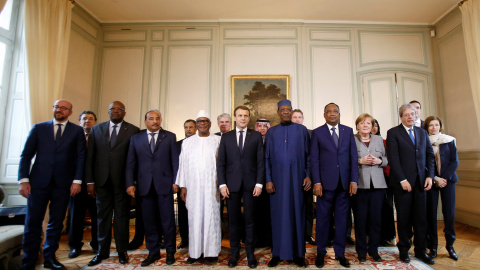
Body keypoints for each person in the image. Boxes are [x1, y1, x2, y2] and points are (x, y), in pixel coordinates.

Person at [19, 99, 86, 270]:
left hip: (63, 184)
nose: (59, 110)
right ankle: (29, 259)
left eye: (63, 108)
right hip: (37, 183)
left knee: (56, 222)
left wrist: (77, 181)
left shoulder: (77, 131)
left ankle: (50, 258)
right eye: (57, 107)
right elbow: (26, 155)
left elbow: (80, 157)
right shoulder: (39, 128)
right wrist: (24, 180)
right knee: (33, 222)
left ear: (70, 112)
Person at [86, 101, 140, 266]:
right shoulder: (96, 129)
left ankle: (122, 251)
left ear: (124, 112)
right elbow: (90, 157)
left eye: (119, 109)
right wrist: (90, 181)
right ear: (108, 111)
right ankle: (102, 251)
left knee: (121, 219)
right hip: (101, 182)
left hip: (123, 183)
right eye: (112, 109)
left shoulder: (133, 130)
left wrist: (133, 182)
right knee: (102, 218)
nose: (115, 111)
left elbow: (135, 159)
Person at [125, 110, 178, 266]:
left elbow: (175, 162)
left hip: (165, 186)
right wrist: (129, 184)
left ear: (161, 120)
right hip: (144, 186)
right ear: (145, 121)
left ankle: (170, 252)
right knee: (149, 222)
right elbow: (130, 164)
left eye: (157, 119)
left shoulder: (169, 137)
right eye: (151, 119)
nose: (155, 121)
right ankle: (153, 252)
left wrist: (176, 181)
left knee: (167, 221)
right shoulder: (136, 138)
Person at [311, 102, 358, 268]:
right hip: (324, 186)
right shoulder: (317, 133)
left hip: (344, 185)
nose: (332, 114)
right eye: (329, 111)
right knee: (322, 221)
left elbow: (353, 157)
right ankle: (321, 253)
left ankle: (340, 254)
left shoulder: (348, 131)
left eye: (335, 111)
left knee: (342, 222)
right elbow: (314, 160)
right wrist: (316, 182)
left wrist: (354, 180)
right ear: (324, 115)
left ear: (339, 114)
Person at [386, 103, 435, 265]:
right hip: (403, 184)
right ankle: (404, 250)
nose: (410, 117)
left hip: (422, 183)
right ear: (401, 117)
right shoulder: (393, 133)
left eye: (412, 114)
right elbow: (393, 159)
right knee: (404, 219)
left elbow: (429, 156)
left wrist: (430, 176)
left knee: (421, 219)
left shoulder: (422, 132)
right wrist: (402, 179)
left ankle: (421, 250)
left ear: (416, 115)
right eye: (406, 114)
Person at [265, 99, 311, 267]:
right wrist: (268, 179)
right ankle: (277, 254)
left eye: (288, 109)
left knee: (297, 216)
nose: (285, 112)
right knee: (278, 218)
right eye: (282, 109)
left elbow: (309, 157)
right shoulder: (271, 132)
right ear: (278, 112)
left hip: (297, 181)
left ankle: (299, 255)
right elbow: (266, 158)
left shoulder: (302, 130)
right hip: (277, 182)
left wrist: (309, 176)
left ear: (292, 112)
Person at [217, 106, 264, 268]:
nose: (243, 118)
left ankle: (250, 253)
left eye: (246, 115)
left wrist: (259, 183)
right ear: (235, 118)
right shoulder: (226, 137)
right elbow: (221, 163)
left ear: (249, 118)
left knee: (250, 220)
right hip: (231, 185)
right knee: (234, 221)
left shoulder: (256, 136)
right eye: (240, 115)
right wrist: (222, 184)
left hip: (252, 185)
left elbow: (260, 162)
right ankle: (235, 252)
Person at [176, 110, 222, 263]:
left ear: (210, 124)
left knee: (211, 217)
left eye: (205, 121)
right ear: (196, 124)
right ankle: (195, 253)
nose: (202, 123)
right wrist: (183, 187)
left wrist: (222, 185)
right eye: (200, 121)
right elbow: (182, 165)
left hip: (212, 187)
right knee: (194, 218)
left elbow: (222, 165)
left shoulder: (217, 140)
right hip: (193, 186)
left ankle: (211, 252)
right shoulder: (187, 142)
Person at [353, 114, 388, 262]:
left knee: (376, 220)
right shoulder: (351, 140)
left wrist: (380, 160)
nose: (365, 125)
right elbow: (345, 159)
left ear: (373, 126)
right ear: (357, 126)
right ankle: (361, 251)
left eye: (368, 123)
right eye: (362, 123)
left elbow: (387, 159)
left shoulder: (379, 140)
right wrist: (359, 160)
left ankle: (374, 250)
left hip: (378, 186)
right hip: (360, 186)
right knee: (360, 220)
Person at [423, 116, 459, 261]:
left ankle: (450, 245)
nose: (434, 127)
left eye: (436, 125)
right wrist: (435, 178)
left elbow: (454, 161)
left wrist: (443, 179)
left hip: (448, 181)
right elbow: (423, 163)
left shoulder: (449, 140)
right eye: (431, 125)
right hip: (431, 181)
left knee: (448, 214)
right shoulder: (423, 141)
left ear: (440, 126)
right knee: (431, 214)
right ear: (427, 127)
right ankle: (433, 247)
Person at [68, 111, 98, 259]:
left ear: (95, 122)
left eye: (91, 119)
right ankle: (75, 246)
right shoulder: (73, 137)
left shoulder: (99, 138)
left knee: (97, 216)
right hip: (76, 184)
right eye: (84, 119)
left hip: (96, 184)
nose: (87, 121)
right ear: (79, 121)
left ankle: (97, 244)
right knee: (76, 217)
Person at [291, 109, 316, 246]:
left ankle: (308, 235)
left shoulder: (311, 133)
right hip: (291, 178)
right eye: (295, 117)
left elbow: (313, 157)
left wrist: (309, 176)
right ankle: (294, 234)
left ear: (303, 118)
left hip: (307, 177)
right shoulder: (286, 133)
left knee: (307, 207)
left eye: (300, 117)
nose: (297, 119)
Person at [372, 119, 396, 246]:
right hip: (370, 179)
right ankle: (375, 237)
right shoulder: (360, 141)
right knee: (374, 209)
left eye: (376, 125)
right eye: (372, 125)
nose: (374, 127)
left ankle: (389, 236)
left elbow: (390, 159)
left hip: (386, 178)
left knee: (387, 207)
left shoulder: (385, 141)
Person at [175, 119, 197, 249]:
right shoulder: (178, 145)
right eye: (186, 127)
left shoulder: (201, 144)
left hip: (197, 184)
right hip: (183, 184)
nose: (188, 130)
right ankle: (185, 239)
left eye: (191, 127)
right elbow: (175, 165)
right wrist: (177, 183)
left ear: (196, 129)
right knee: (183, 214)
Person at [253, 118, 272, 248]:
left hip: (270, 183)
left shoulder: (272, 141)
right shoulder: (252, 141)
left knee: (269, 212)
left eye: (265, 126)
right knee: (255, 212)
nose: (262, 128)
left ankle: (269, 240)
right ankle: (256, 240)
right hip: (255, 183)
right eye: (260, 126)